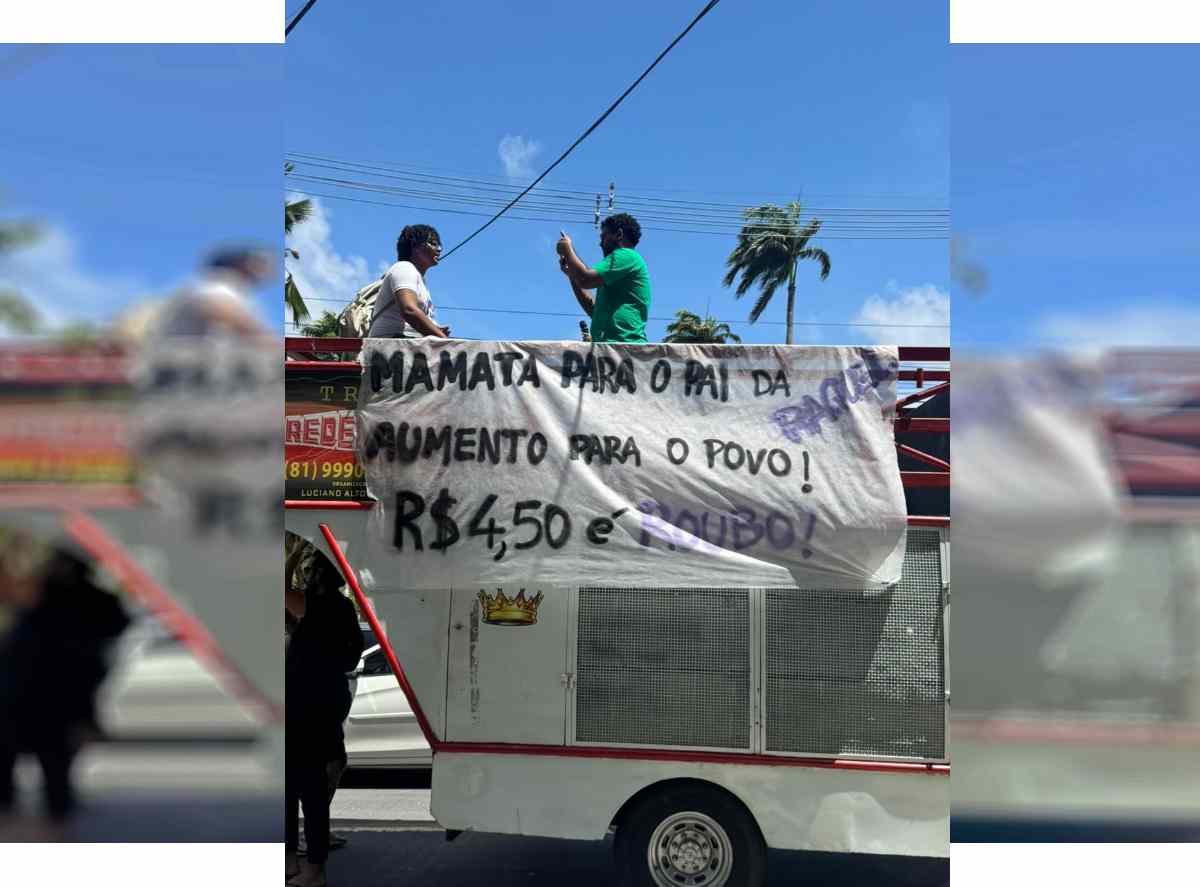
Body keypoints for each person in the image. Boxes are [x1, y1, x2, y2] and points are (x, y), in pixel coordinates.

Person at [0, 542, 130, 840]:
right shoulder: (67, 606)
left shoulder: (41, 609)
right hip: (49, 703)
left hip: (31, 701)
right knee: (53, 779)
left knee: (32, 778)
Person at [284, 546, 363, 887]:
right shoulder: (339, 610)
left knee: (305, 791)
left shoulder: (323, 607)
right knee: (301, 790)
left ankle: (311, 869)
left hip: (306, 712)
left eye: (309, 571)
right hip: (322, 707)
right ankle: (298, 862)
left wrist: (288, 561)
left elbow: (282, 593)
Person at [557, 213, 651, 344]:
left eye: (604, 236)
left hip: (625, 347)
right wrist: (572, 275)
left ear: (619, 234)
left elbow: (585, 279)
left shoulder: (626, 255)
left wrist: (567, 248)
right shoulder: (618, 269)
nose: (600, 243)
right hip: (613, 350)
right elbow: (593, 310)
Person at [152, 245, 273, 338]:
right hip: (177, 359)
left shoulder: (241, 292)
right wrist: (263, 336)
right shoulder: (219, 279)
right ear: (240, 263)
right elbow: (217, 306)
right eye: (258, 262)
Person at [366, 224, 451, 339]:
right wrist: (443, 339)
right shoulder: (404, 268)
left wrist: (435, 328)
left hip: (406, 346)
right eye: (433, 244)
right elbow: (409, 310)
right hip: (389, 348)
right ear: (415, 246)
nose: (439, 249)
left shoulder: (420, 281)